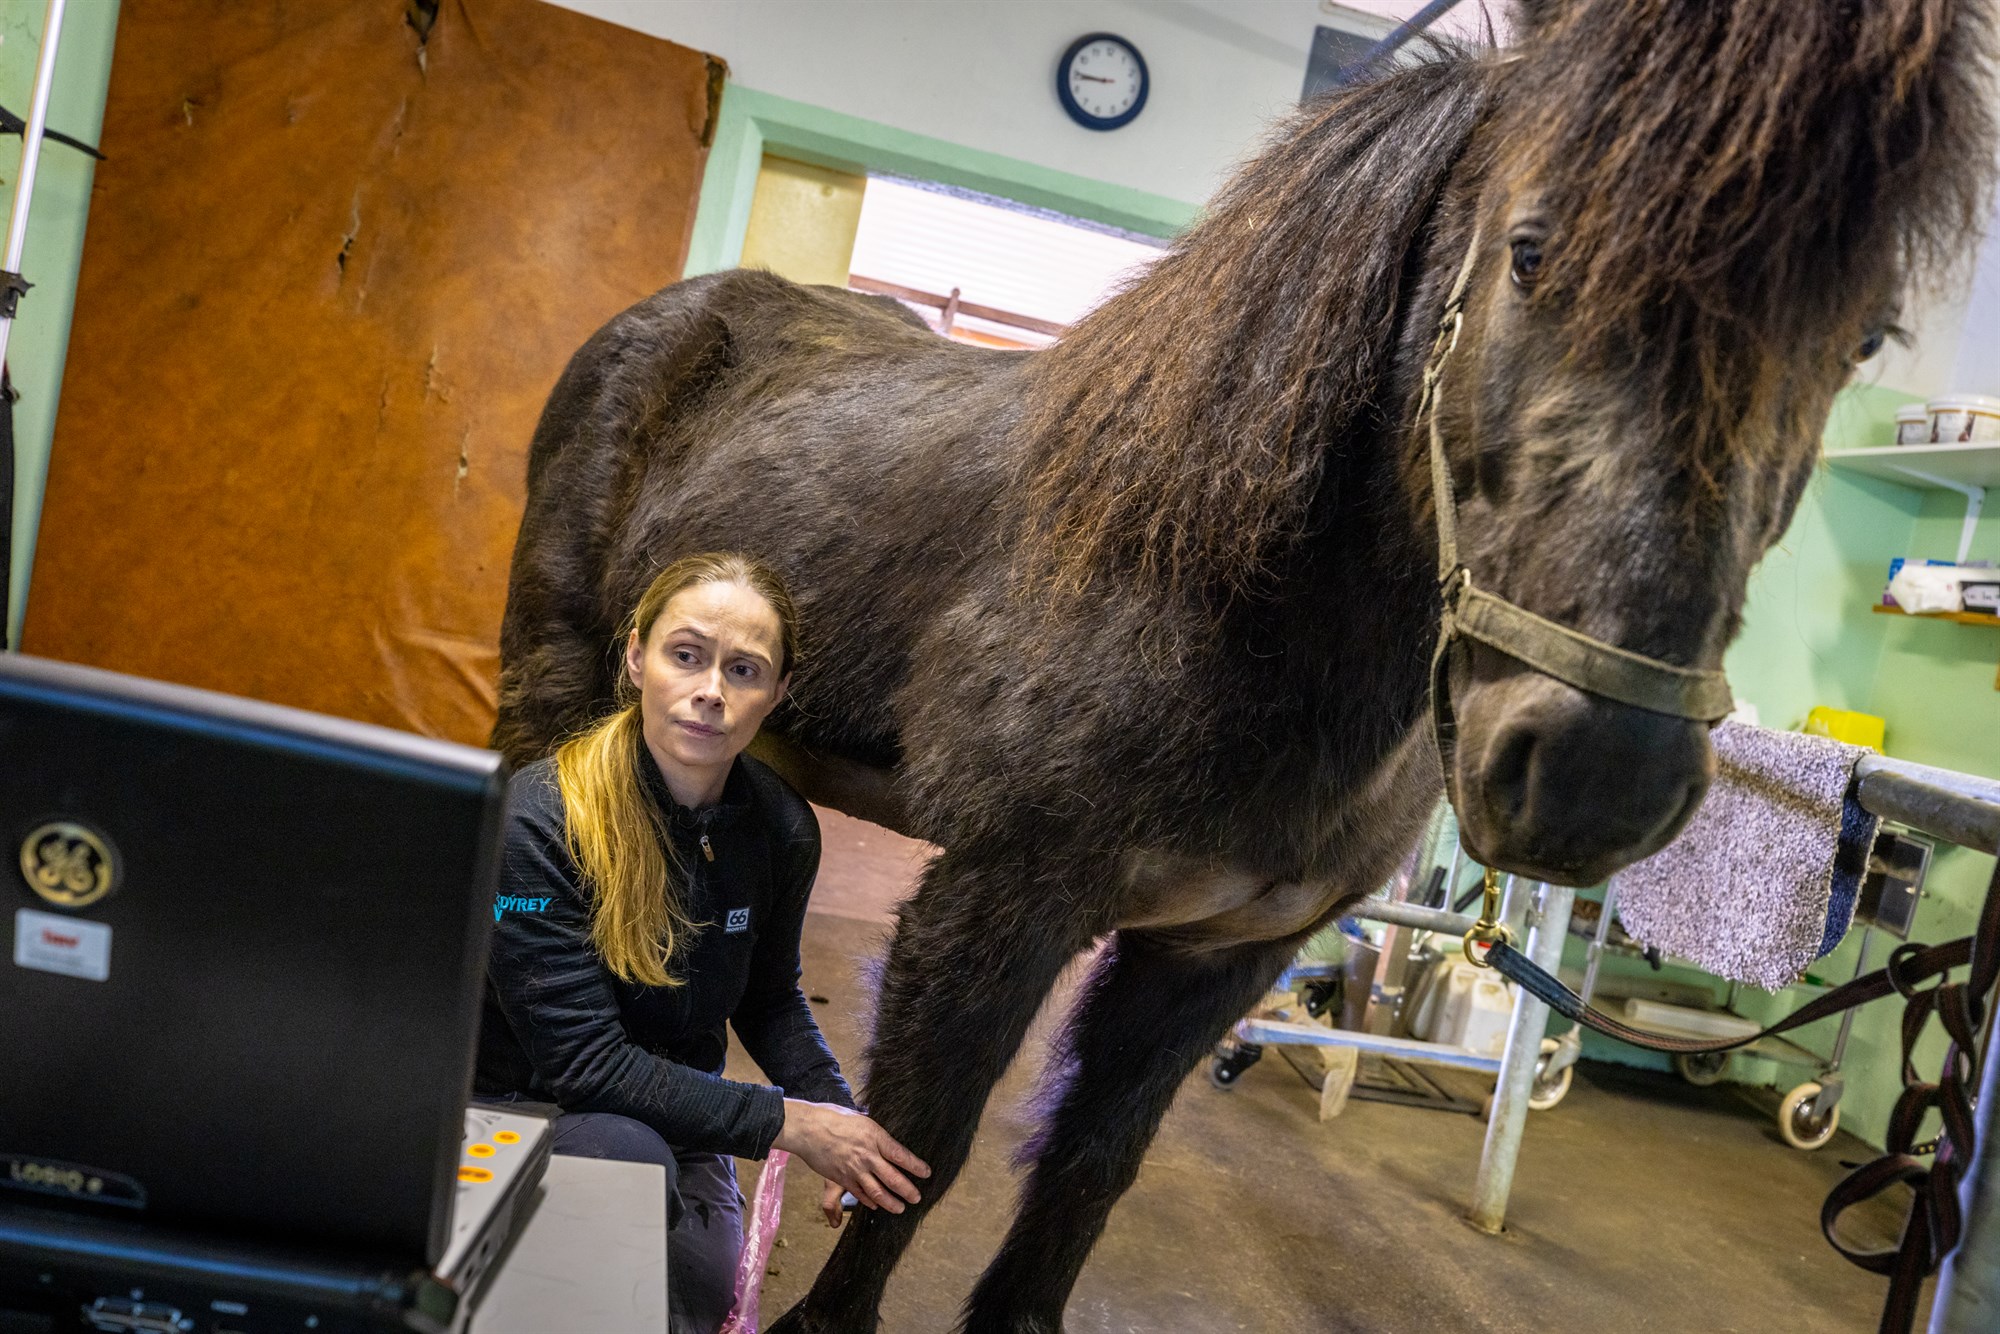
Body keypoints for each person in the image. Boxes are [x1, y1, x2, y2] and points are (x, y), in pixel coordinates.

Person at [476, 551, 928, 1334]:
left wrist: (835, 1112)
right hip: (522, 1107)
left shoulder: (781, 828)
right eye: (686, 655)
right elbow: (584, 1066)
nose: (710, 692)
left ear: (777, 693)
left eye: (744, 670)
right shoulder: (537, 823)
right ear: (635, 656)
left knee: (669, 1300)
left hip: (678, 1128)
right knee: (621, 1166)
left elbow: (769, 996)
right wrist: (791, 1123)